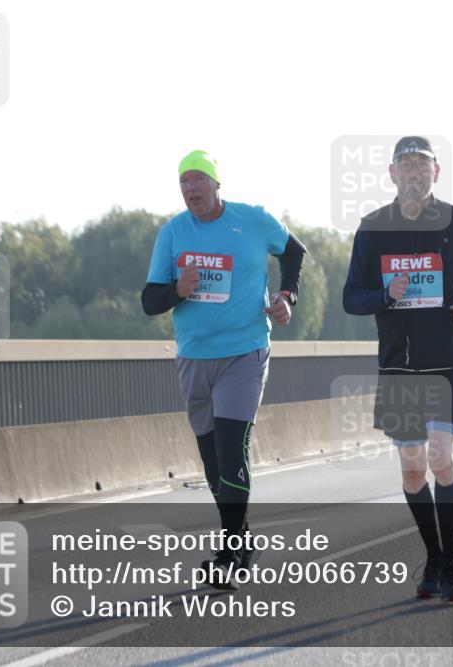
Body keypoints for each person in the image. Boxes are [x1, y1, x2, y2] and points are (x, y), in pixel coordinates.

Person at [343, 136, 453, 603]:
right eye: (405, 165)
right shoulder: (373, 228)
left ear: (435, 173)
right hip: (398, 366)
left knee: (437, 456)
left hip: (448, 361)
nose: (413, 173)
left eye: (421, 166)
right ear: (392, 174)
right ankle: (433, 558)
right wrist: (387, 296)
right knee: (412, 467)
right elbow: (352, 298)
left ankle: (450, 565)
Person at [142, 149, 307, 589]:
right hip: (194, 357)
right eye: (184, 182)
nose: (191, 189)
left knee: (233, 448)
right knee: (213, 461)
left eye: (199, 179)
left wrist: (287, 296)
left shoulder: (253, 220)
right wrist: (178, 288)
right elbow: (149, 301)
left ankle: (230, 551)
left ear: (217, 184)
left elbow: (294, 252)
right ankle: (241, 536)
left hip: (244, 352)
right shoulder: (174, 232)